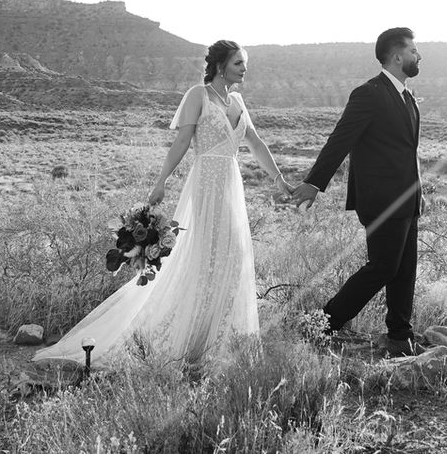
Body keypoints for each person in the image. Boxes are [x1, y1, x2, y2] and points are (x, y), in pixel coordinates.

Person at [33, 40, 292, 369]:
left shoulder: (238, 101)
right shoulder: (197, 96)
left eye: (245, 63)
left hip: (231, 184)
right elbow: (182, 142)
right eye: (238, 62)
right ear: (221, 65)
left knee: (233, 255)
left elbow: (255, 143)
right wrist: (161, 181)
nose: (244, 68)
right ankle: (185, 336)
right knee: (205, 255)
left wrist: (280, 180)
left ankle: (220, 336)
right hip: (206, 183)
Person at [289, 28, 423, 357]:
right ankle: (320, 324)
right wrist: (315, 182)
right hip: (381, 199)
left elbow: (408, 150)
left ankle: (399, 335)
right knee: (382, 267)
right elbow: (341, 139)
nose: (419, 56)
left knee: (405, 268)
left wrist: (420, 191)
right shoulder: (369, 94)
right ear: (396, 56)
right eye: (414, 51)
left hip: (407, 198)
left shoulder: (408, 95)